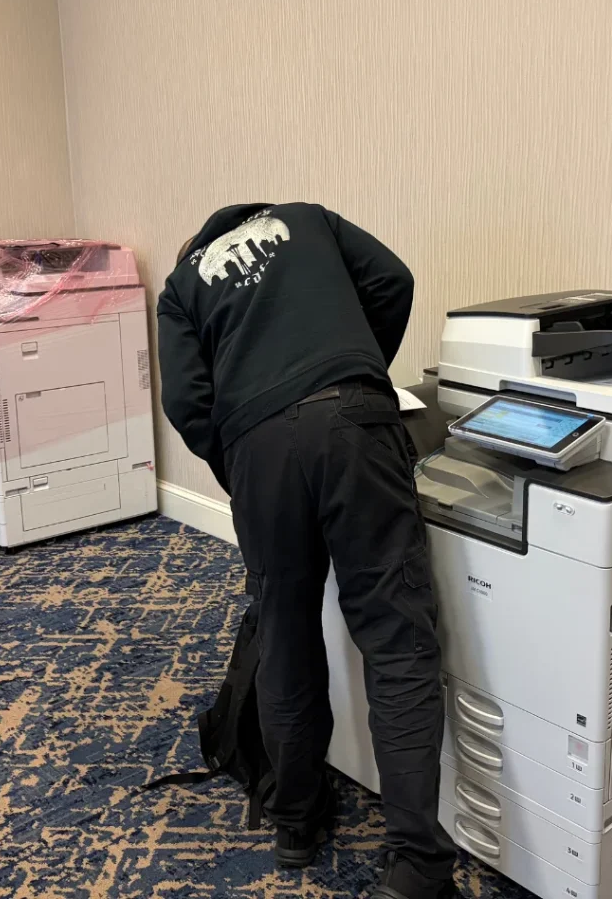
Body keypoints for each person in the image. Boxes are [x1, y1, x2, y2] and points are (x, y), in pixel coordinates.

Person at [157, 203, 457, 899]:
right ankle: (416, 865)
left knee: (284, 631)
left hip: (258, 449)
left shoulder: (182, 286)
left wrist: (242, 459)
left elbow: (186, 400)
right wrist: (355, 374)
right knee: (395, 639)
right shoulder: (305, 219)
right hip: (353, 419)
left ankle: (296, 818)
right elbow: (392, 281)